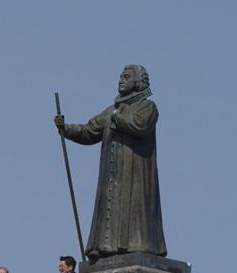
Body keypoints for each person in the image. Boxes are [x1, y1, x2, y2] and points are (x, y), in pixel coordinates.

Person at [54, 64, 167, 260]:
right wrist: (66, 128)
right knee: (110, 206)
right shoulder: (111, 110)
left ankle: (136, 247)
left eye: (127, 76)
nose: (121, 79)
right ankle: (106, 249)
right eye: (120, 76)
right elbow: (89, 131)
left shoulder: (147, 106)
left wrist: (117, 117)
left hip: (135, 172)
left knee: (134, 210)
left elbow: (139, 125)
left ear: (138, 82)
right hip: (112, 175)